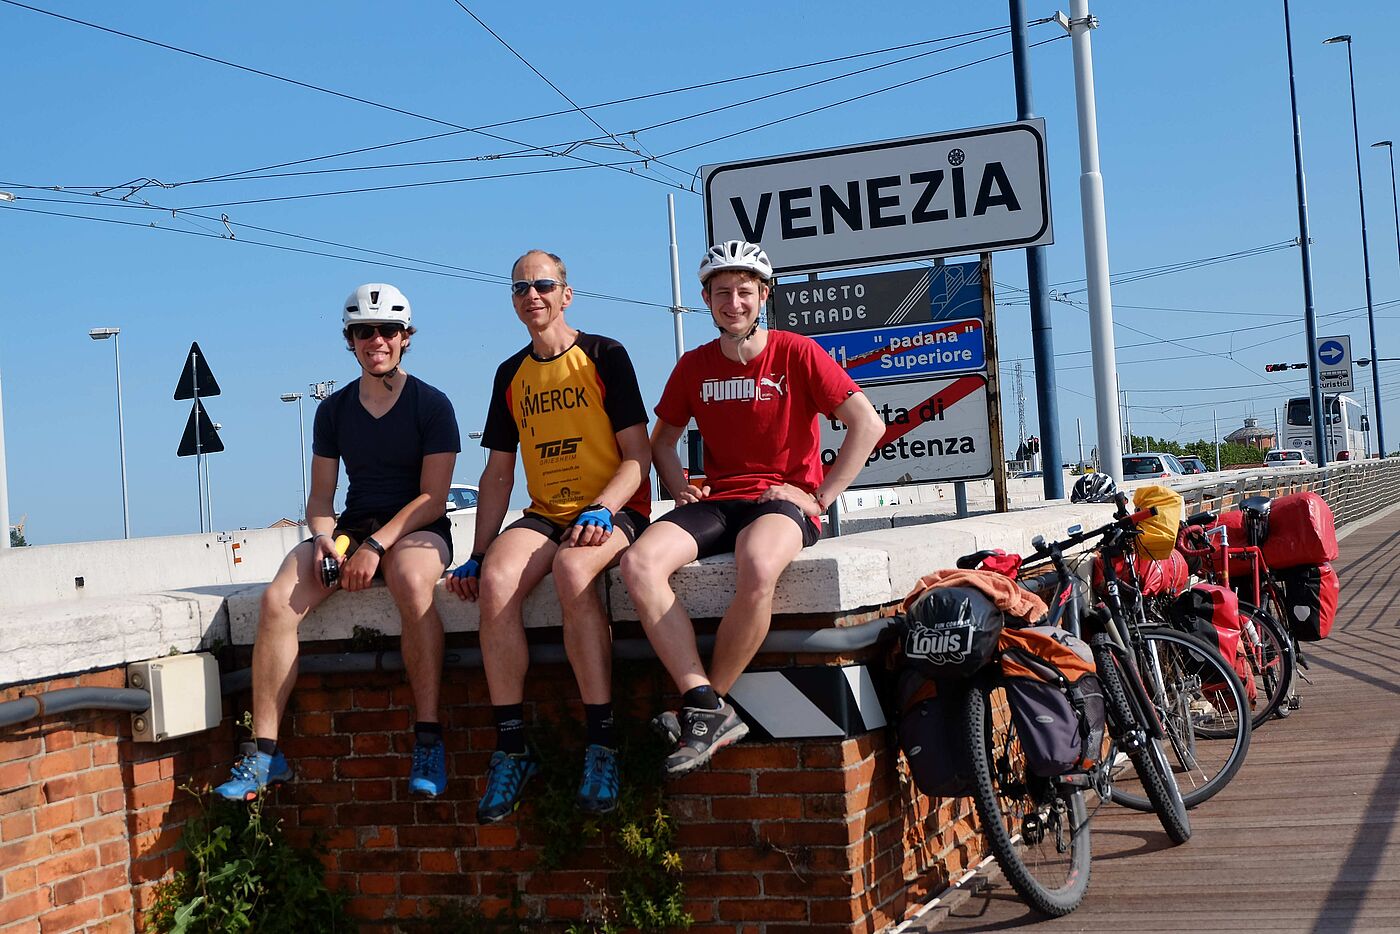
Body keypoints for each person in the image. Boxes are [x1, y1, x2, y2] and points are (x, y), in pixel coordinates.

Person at [620, 240, 885, 776]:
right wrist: (679, 486)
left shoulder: (796, 352)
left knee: (758, 563)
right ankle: (704, 701)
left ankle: (706, 707)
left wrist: (819, 496)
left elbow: (868, 424)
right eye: (722, 293)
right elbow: (662, 440)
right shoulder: (694, 365)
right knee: (638, 563)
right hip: (719, 500)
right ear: (706, 299)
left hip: (781, 500)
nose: (733, 302)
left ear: (764, 295)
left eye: (744, 291)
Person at [216, 283, 460, 801]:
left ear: (405, 337)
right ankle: (265, 754)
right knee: (277, 599)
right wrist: (325, 539)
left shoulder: (433, 405)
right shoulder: (332, 411)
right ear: (350, 340)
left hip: (417, 530)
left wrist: (376, 547)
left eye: (388, 330)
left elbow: (434, 499)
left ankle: (428, 739)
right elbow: (321, 499)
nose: (377, 340)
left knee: (410, 580)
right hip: (353, 528)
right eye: (364, 331)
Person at [446, 249, 651, 822]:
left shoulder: (606, 355)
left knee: (572, 568)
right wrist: (478, 552)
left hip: (613, 508)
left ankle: (602, 744)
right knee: (495, 581)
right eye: (520, 288)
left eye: (542, 285)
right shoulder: (510, 374)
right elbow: (498, 473)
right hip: (546, 511)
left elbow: (638, 456)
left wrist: (604, 508)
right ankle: (513, 748)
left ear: (566, 294)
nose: (531, 295)